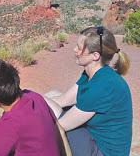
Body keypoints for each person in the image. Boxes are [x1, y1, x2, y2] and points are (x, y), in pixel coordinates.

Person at [45, 26, 133, 156]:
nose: (75, 50)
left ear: (95, 55)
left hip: (102, 151)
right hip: (94, 138)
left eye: (80, 48)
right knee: (52, 94)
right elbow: (64, 99)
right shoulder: (93, 74)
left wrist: (29, 102)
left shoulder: (103, 86)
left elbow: (61, 126)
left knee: (46, 112)